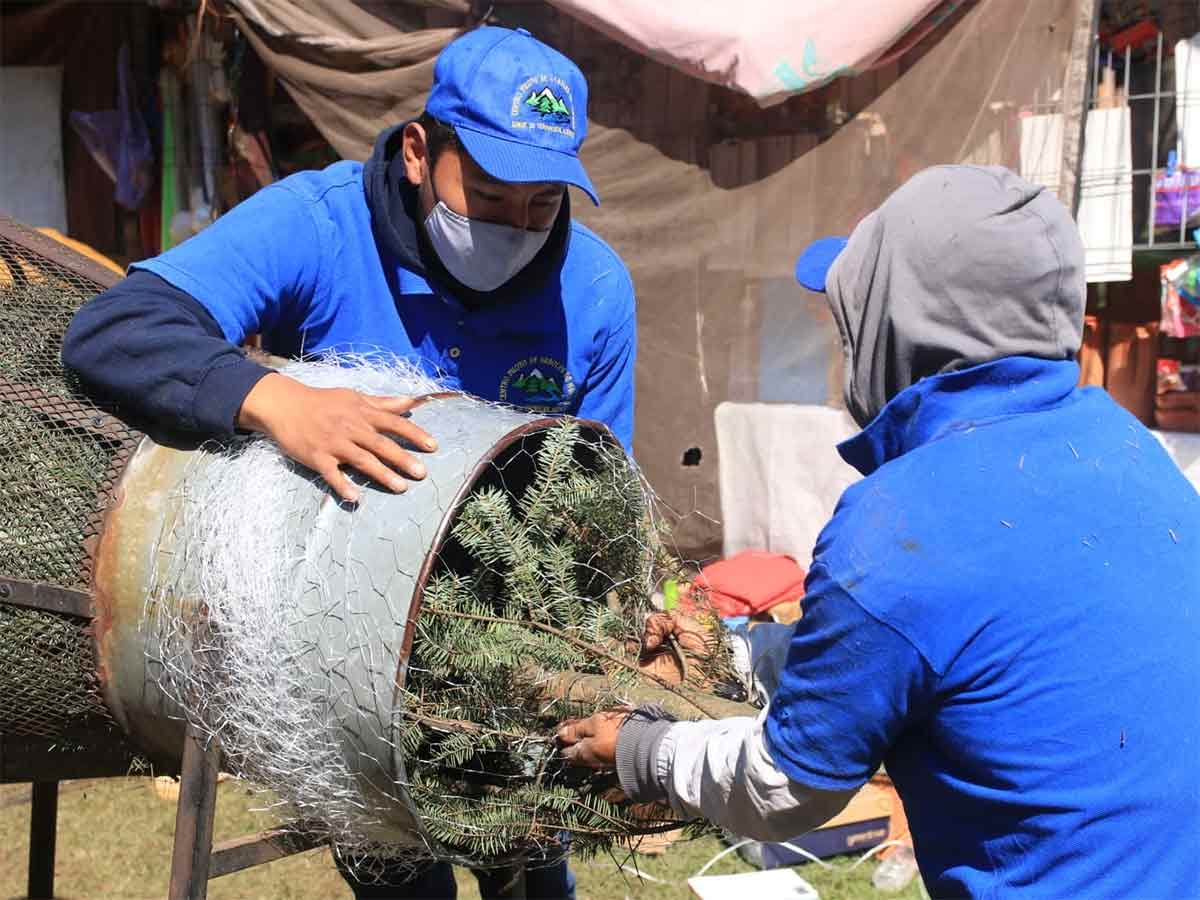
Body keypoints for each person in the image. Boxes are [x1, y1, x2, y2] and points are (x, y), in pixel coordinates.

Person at [64, 24, 637, 900]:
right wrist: (274, 401)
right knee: (400, 880)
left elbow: (598, 505)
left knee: (527, 865)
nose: (518, 226)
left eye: (543, 204)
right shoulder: (318, 226)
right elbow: (111, 334)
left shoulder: (592, 293)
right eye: (489, 193)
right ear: (418, 152)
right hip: (340, 658)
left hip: (507, 655)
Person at [559, 165, 1200, 898]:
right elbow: (930, 646)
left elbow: (787, 785)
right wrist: (731, 654)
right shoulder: (1124, 448)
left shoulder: (903, 523)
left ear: (898, 331)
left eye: (848, 325)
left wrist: (644, 751)